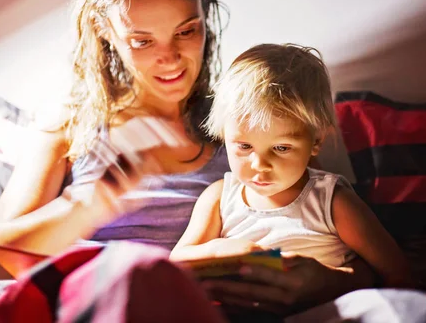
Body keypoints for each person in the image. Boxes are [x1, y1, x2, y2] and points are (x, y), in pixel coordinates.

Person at [0, 0, 379, 316]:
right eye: (142, 41)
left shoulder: (245, 125)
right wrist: (96, 200)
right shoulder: (73, 124)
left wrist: (328, 281)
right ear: (105, 30)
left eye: (186, 32)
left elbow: (348, 241)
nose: (169, 59)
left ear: (206, 16)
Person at [171, 44, 411, 288]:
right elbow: (176, 262)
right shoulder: (220, 197)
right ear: (224, 136)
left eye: (281, 148)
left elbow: (396, 271)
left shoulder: (331, 201)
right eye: (244, 146)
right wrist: (222, 249)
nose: (260, 164)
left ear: (316, 141)